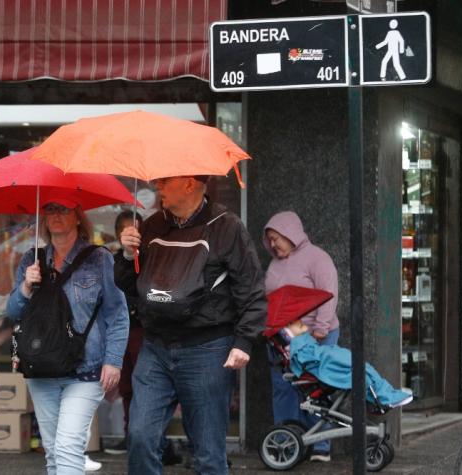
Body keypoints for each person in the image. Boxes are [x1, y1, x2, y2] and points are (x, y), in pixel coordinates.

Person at [115, 175, 266, 475]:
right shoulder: (152, 225)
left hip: (207, 350)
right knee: (140, 437)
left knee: (208, 453)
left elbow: (251, 288)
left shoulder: (227, 226)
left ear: (188, 184)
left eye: (165, 181)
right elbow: (130, 285)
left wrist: (244, 341)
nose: (157, 187)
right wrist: (125, 254)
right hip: (155, 347)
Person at [6, 198, 129, 475]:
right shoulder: (31, 259)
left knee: (67, 447)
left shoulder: (100, 258)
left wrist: (114, 360)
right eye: (50, 209)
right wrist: (27, 284)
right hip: (42, 367)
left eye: (64, 209)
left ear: (77, 217)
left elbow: (117, 314)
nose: (56, 215)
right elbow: (13, 311)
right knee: (53, 452)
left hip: (85, 369)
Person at [105, 210, 182, 466]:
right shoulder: (116, 261)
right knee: (126, 389)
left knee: (147, 390)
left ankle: (158, 443)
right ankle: (133, 439)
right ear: (119, 234)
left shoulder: (152, 257)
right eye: (127, 230)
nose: (134, 235)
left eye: (137, 229)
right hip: (121, 333)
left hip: (143, 331)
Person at [263, 210, 339, 462]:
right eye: (270, 240)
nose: (273, 244)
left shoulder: (317, 258)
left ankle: (320, 445)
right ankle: (286, 441)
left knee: (315, 388)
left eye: (276, 238)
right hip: (284, 333)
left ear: (291, 233)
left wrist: (321, 327)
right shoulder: (275, 263)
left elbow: (329, 293)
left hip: (314, 331)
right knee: (283, 387)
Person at [273, 318, 413, 408]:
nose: (297, 320)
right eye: (290, 323)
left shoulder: (303, 343)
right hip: (328, 362)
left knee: (363, 368)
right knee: (361, 369)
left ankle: (386, 393)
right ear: (286, 334)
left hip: (330, 357)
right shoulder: (299, 346)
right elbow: (312, 360)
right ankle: (384, 396)